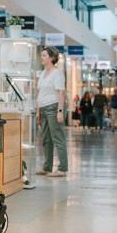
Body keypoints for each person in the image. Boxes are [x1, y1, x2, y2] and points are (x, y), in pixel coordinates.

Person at [35, 47, 68, 177]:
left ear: (52, 58)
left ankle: (62, 168)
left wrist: (60, 111)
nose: (42, 57)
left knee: (58, 138)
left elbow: (61, 93)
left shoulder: (57, 73)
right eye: (41, 55)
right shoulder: (42, 74)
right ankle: (47, 167)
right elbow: (39, 93)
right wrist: (38, 111)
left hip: (54, 108)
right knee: (46, 139)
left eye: (44, 55)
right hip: (43, 108)